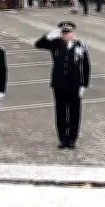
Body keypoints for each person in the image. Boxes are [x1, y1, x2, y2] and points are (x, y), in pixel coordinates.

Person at [34, 21, 91, 149]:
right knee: (61, 112)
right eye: (64, 33)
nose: (66, 35)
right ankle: (62, 139)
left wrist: (84, 84)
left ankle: (72, 139)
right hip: (59, 84)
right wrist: (49, 35)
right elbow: (38, 44)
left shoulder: (80, 45)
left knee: (74, 113)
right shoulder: (55, 44)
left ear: (73, 33)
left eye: (68, 32)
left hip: (74, 85)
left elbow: (86, 66)